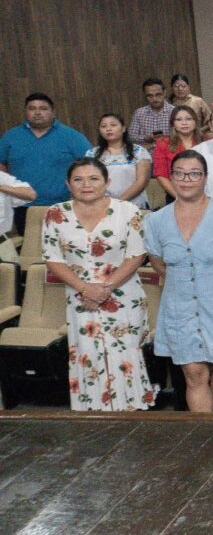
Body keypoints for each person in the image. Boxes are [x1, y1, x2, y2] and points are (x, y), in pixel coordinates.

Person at [145, 150, 213, 412]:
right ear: (171, 177)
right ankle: (204, 430)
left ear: (205, 177)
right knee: (193, 373)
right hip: (180, 307)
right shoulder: (156, 221)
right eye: (180, 174)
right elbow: (158, 261)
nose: (187, 180)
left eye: (194, 173)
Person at [42, 158, 154, 411]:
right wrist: (86, 289)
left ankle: (130, 417)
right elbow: (53, 259)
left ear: (107, 181)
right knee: (88, 355)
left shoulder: (128, 211)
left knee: (124, 356)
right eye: (78, 179)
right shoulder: (55, 214)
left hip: (123, 294)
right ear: (68, 184)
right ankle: (91, 417)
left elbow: (136, 255)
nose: (86, 185)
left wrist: (104, 289)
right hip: (80, 296)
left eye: (93, 178)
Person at [0, 94, 91, 216]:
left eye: (43, 108)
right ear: (25, 112)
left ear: (53, 112)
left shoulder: (72, 136)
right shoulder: (11, 136)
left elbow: (90, 166)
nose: (37, 113)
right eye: (32, 108)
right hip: (21, 205)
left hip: (63, 204)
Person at [85, 113, 152, 209]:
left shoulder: (138, 151)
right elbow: (89, 180)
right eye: (103, 126)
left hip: (134, 205)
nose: (108, 129)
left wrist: (117, 203)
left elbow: (142, 181)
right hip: (102, 206)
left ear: (123, 128)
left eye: (113, 125)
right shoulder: (92, 154)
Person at [153, 106, 201, 201]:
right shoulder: (163, 143)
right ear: (173, 123)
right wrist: (180, 198)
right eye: (179, 119)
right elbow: (161, 175)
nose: (184, 123)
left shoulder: (206, 141)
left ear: (195, 121)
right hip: (175, 195)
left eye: (188, 119)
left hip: (206, 194)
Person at [128, 78, 174, 147]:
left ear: (164, 93)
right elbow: (131, 136)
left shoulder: (174, 111)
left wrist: (165, 139)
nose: (154, 99)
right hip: (146, 152)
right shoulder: (139, 113)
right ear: (145, 96)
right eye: (150, 96)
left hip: (169, 151)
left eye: (158, 95)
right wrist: (146, 138)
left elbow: (181, 135)